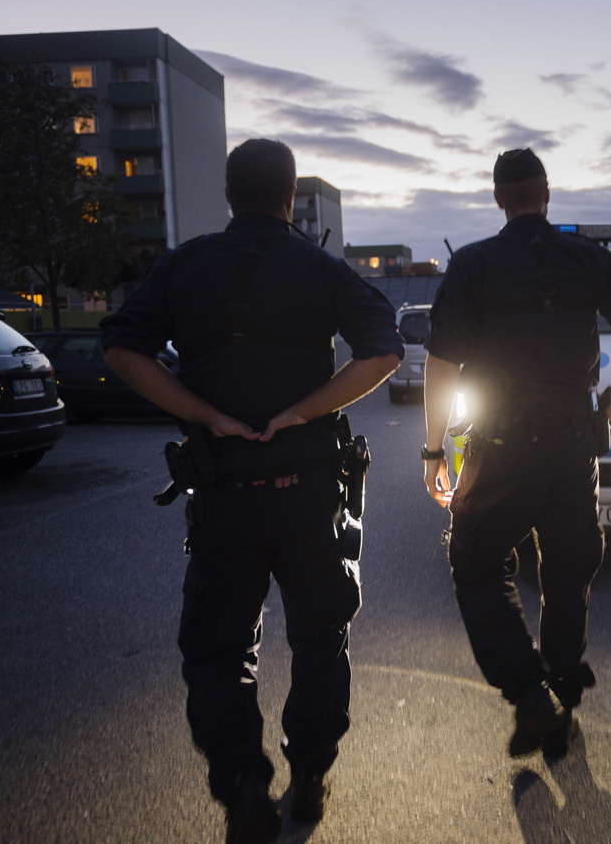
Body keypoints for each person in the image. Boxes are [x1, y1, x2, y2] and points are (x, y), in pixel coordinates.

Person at [101, 139, 402, 844]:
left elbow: (121, 349)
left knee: (218, 650)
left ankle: (242, 785)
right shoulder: (321, 268)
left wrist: (206, 416)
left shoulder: (183, 265)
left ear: (229, 195)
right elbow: (384, 350)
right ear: (291, 196)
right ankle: (311, 774)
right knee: (321, 639)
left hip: (225, 495)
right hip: (309, 497)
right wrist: (304, 411)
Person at [421, 149, 611, 759]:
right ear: (547, 194)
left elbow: (442, 363)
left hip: (501, 446)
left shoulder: (474, 263)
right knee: (566, 573)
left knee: (476, 562)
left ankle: (531, 697)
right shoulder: (589, 258)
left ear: (499, 199)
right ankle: (563, 701)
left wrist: (434, 450)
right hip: (573, 445)